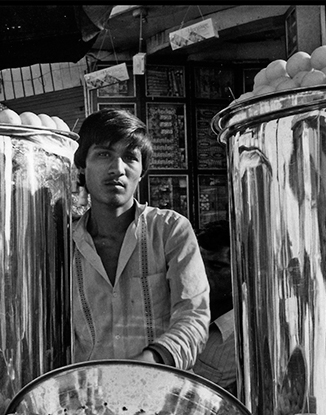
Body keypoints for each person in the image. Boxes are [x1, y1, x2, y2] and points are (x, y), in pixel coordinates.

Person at [70, 109, 209, 370]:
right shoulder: (65, 246)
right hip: (88, 401)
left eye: (130, 158)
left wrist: (149, 363)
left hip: (163, 395)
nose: (117, 169)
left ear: (141, 171)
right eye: (104, 154)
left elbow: (194, 317)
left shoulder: (170, 231)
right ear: (82, 166)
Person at [191, 220, 238, 396]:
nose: (201, 274)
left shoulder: (243, 339)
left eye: (216, 267)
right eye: (196, 263)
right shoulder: (178, 310)